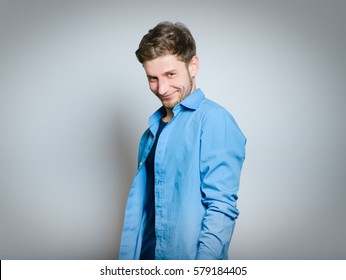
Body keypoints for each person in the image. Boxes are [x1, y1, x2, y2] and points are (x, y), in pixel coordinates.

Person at [119, 21, 246, 260]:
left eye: (170, 74)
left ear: (193, 65)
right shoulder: (150, 133)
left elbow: (221, 208)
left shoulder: (214, 120)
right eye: (152, 78)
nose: (162, 87)